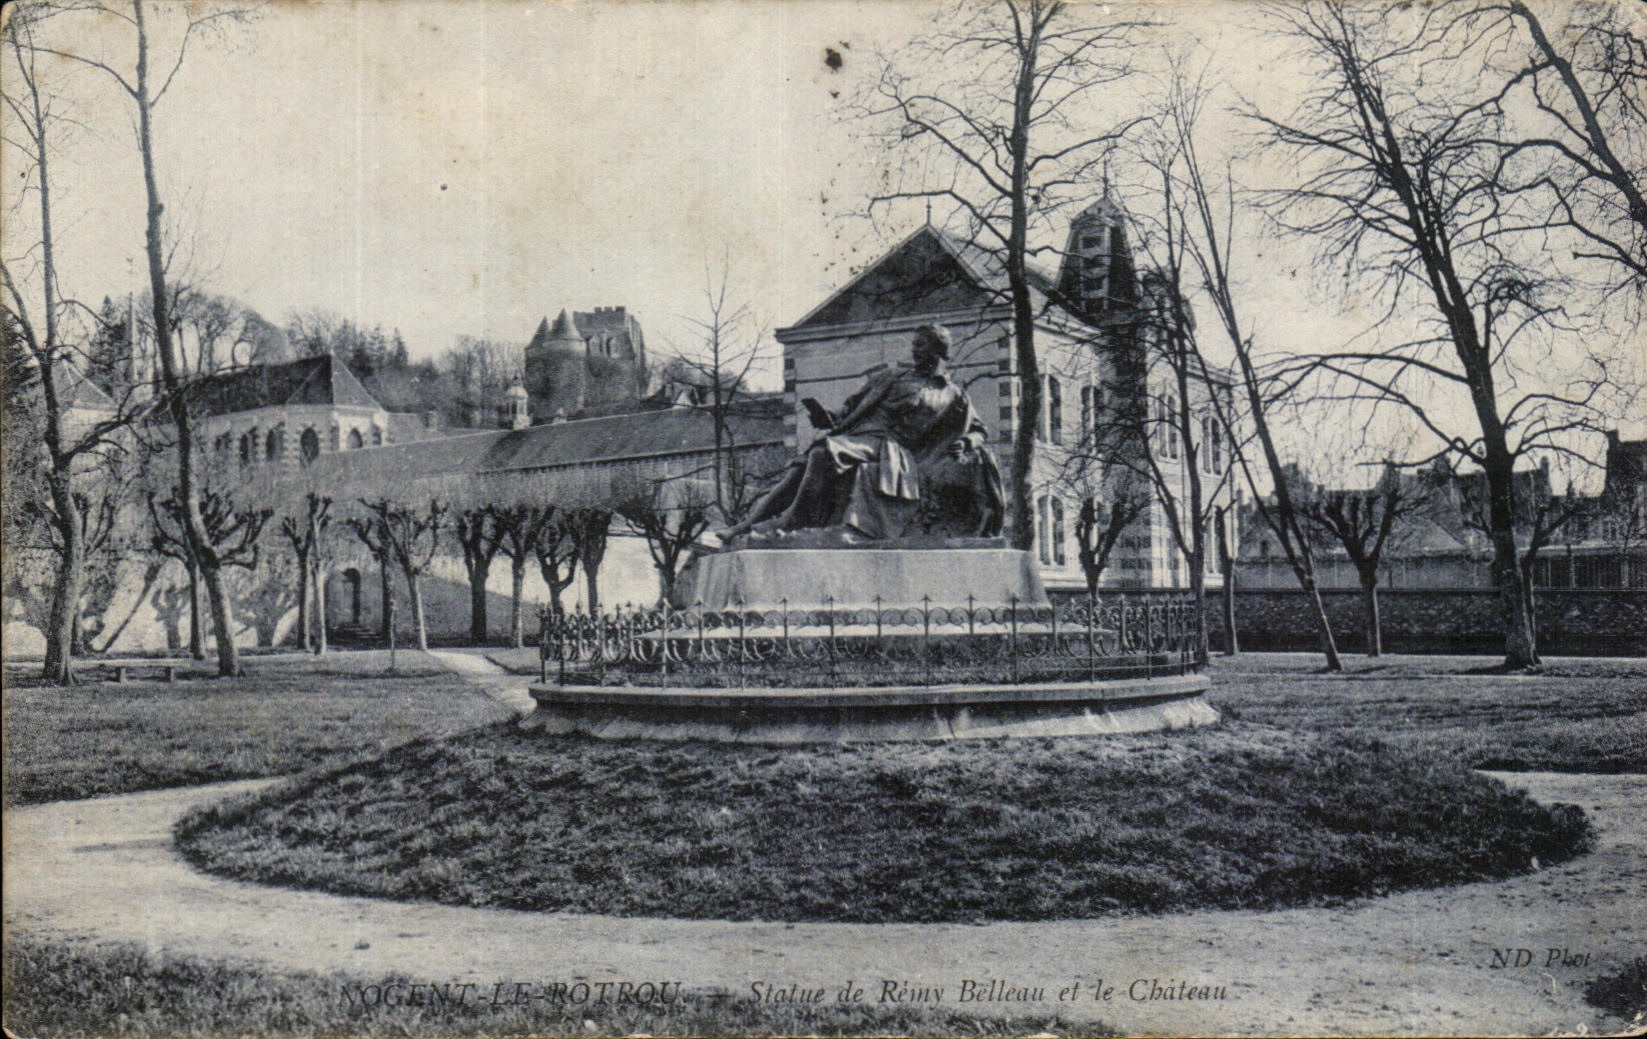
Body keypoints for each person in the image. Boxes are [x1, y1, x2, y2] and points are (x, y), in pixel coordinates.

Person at [722, 324, 1004, 542]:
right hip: (860, 435)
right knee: (805, 461)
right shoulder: (893, 376)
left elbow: (979, 430)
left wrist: (967, 442)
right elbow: (851, 407)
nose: (915, 351)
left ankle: (789, 521)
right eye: (914, 345)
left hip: (893, 447)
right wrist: (828, 417)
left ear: (939, 350)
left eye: (921, 345)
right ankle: (747, 526)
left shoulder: (954, 395)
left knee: (822, 453)